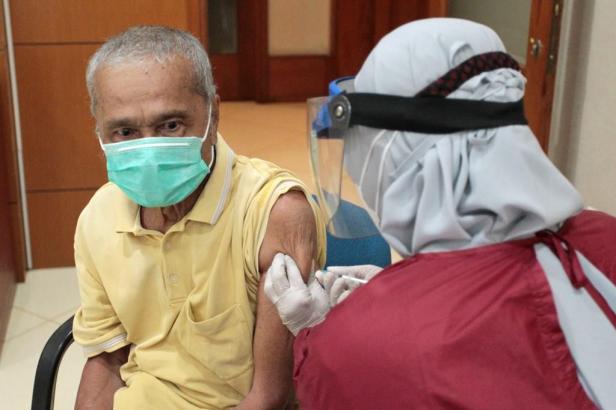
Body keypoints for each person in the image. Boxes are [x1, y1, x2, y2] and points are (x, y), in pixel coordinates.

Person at [265, 18, 616, 409]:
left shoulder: (356, 351)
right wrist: (407, 294)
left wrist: (318, 334)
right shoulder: (605, 235)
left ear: (393, 158)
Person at [72, 26, 326, 409]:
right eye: (125, 131)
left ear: (214, 113)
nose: (149, 149)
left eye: (171, 125)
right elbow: (107, 360)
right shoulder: (97, 219)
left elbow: (270, 396)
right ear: (99, 130)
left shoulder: (272, 213)